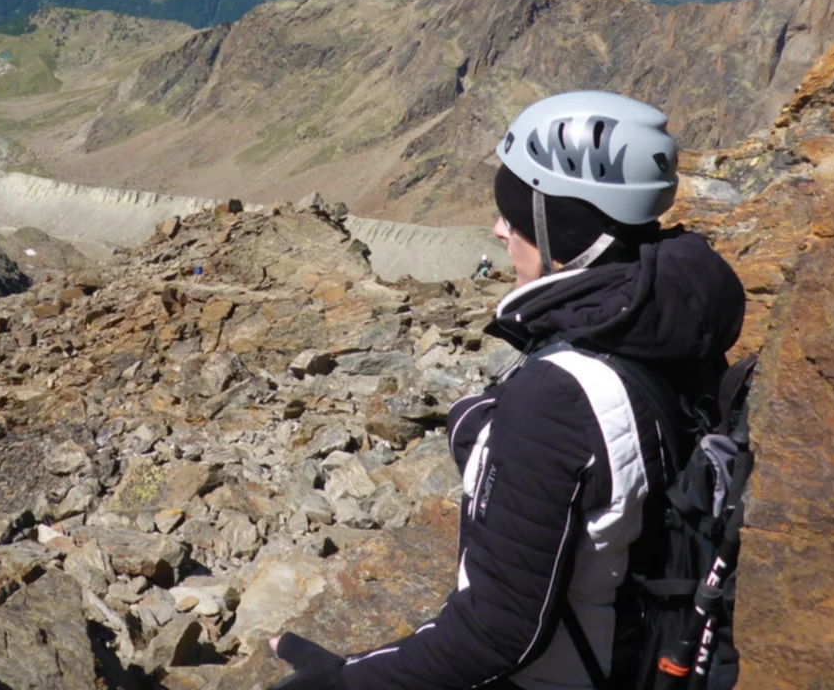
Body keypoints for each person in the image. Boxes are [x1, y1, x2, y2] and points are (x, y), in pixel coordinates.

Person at [271, 91, 745, 689]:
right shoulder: (670, 325)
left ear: (563, 227)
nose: (499, 229)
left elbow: (495, 635)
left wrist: (342, 681)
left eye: (516, 214)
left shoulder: (558, 396)